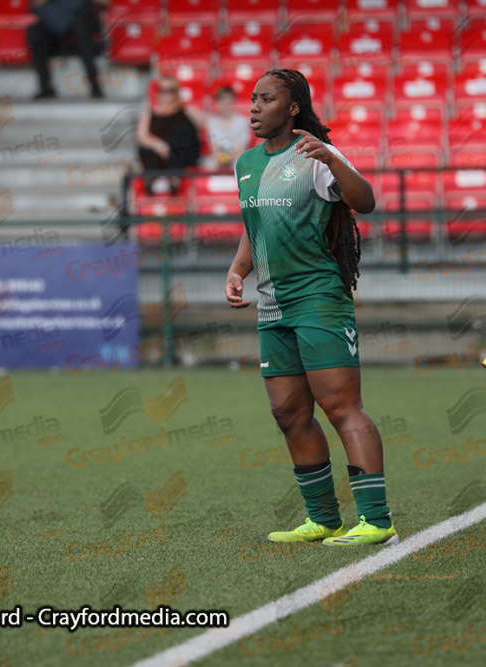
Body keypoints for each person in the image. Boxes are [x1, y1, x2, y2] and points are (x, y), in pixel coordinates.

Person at [224, 69, 391, 547]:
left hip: (318, 298)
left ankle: (376, 520)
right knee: (288, 414)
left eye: (267, 98)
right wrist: (239, 270)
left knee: (340, 406)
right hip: (271, 305)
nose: (255, 107)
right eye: (252, 99)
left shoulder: (315, 154)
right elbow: (254, 225)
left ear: (293, 107)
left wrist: (335, 161)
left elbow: (367, 201)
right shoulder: (246, 163)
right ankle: (324, 519)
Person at [136, 75, 204, 194]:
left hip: (182, 155)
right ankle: (153, 179)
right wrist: (159, 145)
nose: (166, 95)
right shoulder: (148, 113)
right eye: (162, 90)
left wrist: (182, 105)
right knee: (145, 149)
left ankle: (173, 178)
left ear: (177, 92)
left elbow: (206, 123)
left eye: (171, 91)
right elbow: (141, 136)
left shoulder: (186, 111)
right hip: (158, 155)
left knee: (183, 145)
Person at [27, 0, 104, 100]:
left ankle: (95, 85)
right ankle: (46, 87)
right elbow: (34, 5)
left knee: (80, 28)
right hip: (55, 20)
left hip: (81, 19)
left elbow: (106, 2)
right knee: (34, 32)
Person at [204, 86, 252, 169]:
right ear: (218, 103)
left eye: (228, 102)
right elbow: (213, 148)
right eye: (223, 102)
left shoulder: (242, 121)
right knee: (210, 165)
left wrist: (227, 157)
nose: (226, 106)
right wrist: (221, 157)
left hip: (236, 157)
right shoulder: (212, 122)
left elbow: (240, 148)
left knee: (237, 163)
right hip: (218, 158)